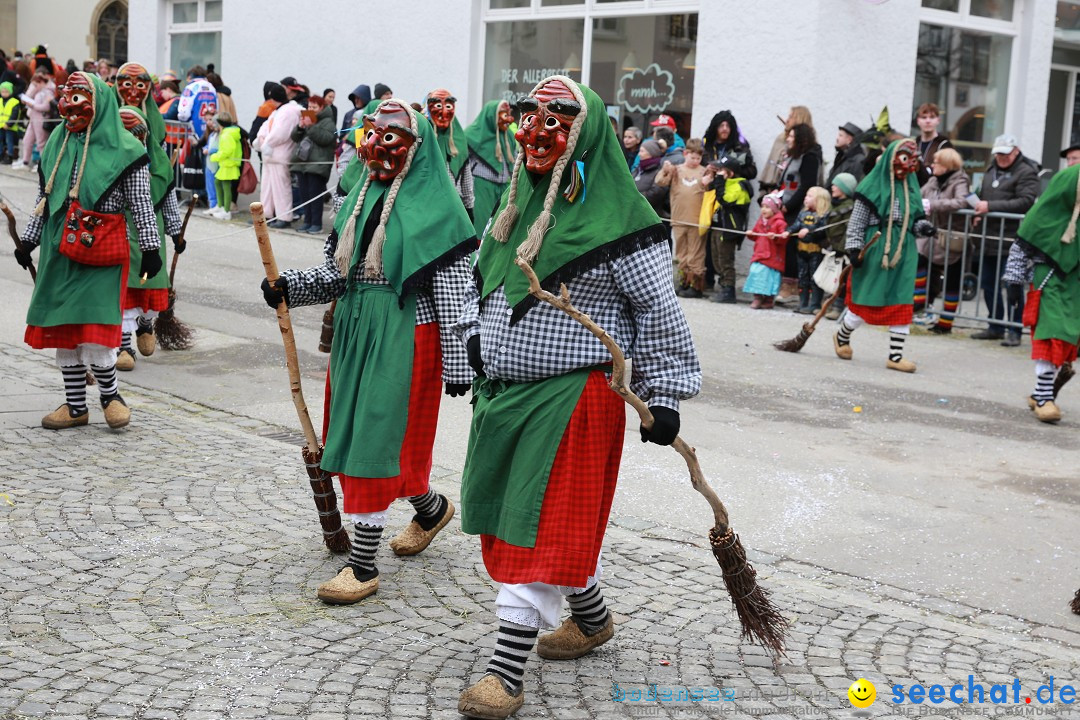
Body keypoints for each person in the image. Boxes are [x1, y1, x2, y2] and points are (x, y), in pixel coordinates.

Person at [453, 75, 700, 720]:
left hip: (572, 403)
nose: (538, 128)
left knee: (537, 525)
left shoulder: (623, 222)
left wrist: (663, 393)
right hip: (504, 396)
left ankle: (506, 673)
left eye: (557, 116)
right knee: (529, 520)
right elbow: (483, 288)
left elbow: (659, 314)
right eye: (531, 113)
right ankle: (590, 620)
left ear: (585, 132)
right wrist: (475, 341)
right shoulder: (515, 207)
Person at [260, 99, 475, 604]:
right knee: (359, 436)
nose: (377, 146)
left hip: (406, 338)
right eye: (372, 134)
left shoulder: (437, 210)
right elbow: (338, 274)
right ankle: (431, 508)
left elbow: (455, 293)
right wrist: (289, 286)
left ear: (415, 148)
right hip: (357, 330)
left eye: (391, 137)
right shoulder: (355, 196)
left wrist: (460, 362)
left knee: (375, 444)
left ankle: (363, 567)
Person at [12, 72, 161, 430]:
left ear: (99, 103)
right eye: (68, 97)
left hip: (102, 250)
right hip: (58, 248)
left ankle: (111, 396)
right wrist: (30, 238)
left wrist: (152, 247)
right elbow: (44, 197)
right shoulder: (57, 142)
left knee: (95, 324)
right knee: (66, 323)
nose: (71, 107)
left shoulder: (128, 149)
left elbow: (141, 202)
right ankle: (76, 406)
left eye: (81, 98)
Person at [834, 139, 935, 373]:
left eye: (912, 160)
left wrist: (923, 227)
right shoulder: (871, 186)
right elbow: (857, 222)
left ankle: (895, 356)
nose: (909, 165)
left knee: (901, 299)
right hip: (877, 245)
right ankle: (842, 335)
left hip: (904, 249)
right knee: (866, 298)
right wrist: (854, 248)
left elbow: (914, 220)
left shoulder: (911, 187)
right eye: (904, 158)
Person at [1002, 164, 1080, 424]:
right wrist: (1013, 281)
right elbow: (1022, 244)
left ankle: (1040, 394)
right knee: (1052, 334)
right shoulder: (1045, 213)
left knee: (1068, 339)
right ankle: (1045, 399)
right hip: (1051, 279)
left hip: (1075, 286)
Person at [115, 106, 184, 369]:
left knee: (148, 285)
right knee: (123, 292)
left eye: (137, 135)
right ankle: (123, 347)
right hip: (119, 236)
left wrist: (176, 231)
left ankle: (145, 325)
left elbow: (169, 203)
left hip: (150, 238)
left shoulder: (159, 167)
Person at [971, 134, 1041, 346]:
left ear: (1016, 151)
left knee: (1013, 285)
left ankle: (1015, 329)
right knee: (988, 284)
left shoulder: (1027, 172)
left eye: (1005, 154)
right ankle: (995, 326)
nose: (1001, 157)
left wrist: (990, 207)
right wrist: (978, 211)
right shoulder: (991, 168)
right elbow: (984, 195)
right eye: (998, 153)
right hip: (988, 235)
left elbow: (1026, 202)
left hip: (1012, 239)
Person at [914, 148, 970, 334]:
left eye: (936, 162)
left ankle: (945, 323)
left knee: (952, 281)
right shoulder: (933, 180)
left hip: (953, 237)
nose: (932, 165)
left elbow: (961, 202)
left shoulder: (960, 180)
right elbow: (918, 195)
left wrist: (932, 205)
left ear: (946, 165)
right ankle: (919, 302)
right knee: (919, 261)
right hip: (933, 235)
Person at [656, 137, 708, 297]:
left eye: (698, 158)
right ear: (685, 153)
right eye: (692, 157)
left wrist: (708, 181)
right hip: (678, 219)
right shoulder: (676, 170)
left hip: (697, 221)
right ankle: (684, 281)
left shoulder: (703, 171)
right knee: (681, 252)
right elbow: (660, 182)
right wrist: (665, 169)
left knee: (696, 252)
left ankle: (696, 284)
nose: (695, 161)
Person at [703, 155, 751, 303]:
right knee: (716, 260)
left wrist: (719, 181)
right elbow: (711, 190)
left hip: (729, 230)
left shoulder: (741, 186)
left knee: (726, 261)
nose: (719, 173)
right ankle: (722, 286)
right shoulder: (723, 183)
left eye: (722, 170)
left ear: (730, 172)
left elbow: (725, 200)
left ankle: (729, 291)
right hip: (717, 227)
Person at [465, 100, 517, 238]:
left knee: (500, 228)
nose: (508, 118)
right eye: (503, 114)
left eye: (509, 114)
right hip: (481, 187)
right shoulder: (471, 135)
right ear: (491, 116)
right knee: (481, 227)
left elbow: (515, 159)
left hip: (505, 188)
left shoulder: (509, 137)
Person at [253, 83, 300, 228]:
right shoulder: (278, 111)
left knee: (281, 188)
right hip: (271, 154)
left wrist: (266, 143)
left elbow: (280, 133)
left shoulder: (288, 111)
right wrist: (262, 139)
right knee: (267, 187)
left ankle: (284, 217)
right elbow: (265, 127)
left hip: (279, 155)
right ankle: (266, 214)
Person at [290, 95, 336, 233]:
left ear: (321, 107)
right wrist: (300, 127)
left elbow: (325, 139)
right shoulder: (308, 119)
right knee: (304, 194)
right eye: (309, 106)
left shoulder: (328, 122)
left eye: (314, 107)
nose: (311, 109)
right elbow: (294, 138)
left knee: (315, 195)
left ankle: (316, 224)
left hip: (318, 164)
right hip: (302, 163)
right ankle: (307, 221)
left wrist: (310, 126)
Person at [426, 89, 474, 219]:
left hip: (454, 205)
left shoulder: (458, 138)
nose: (444, 112)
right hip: (429, 204)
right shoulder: (424, 137)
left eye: (448, 106)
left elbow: (466, 176)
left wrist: (469, 208)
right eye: (438, 106)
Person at [787, 186, 832, 314]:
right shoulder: (803, 213)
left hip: (815, 251)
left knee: (815, 278)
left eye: (809, 196)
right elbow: (796, 225)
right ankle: (802, 303)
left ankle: (814, 304)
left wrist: (809, 230)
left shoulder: (823, 215)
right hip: (801, 250)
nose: (805, 198)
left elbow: (823, 230)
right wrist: (788, 231)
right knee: (802, 277)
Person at [742, 193, 789, 309]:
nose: (764, 209)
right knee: (756, 274)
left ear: (774, 209)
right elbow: (755, 235)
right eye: (762, 206)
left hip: (772, 256)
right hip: (759, 254)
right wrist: (750, 234)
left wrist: (776, 236)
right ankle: (757, 297)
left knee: (770, 278)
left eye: (767, 207)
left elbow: (784, 239)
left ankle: (768, 299)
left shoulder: (780, 223)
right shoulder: (760, 221)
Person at [823, 172, 858, 320]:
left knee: (841, 279)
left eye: (836, 185)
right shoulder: (833, 204)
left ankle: (838, 307)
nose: (832, 186)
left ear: (844, 188)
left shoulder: (849, 207)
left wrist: (842, 249)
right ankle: (829, 304)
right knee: (831, 277)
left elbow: (849, 230)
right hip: (832, 247)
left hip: (842, 251)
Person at [759, 105, 813, 196]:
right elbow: (771, 167)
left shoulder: (809, 149)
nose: (787, 120)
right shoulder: (781, 139)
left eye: (791, 117)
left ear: (799, 120)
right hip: (771, 193)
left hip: (791, 197)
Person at [12, 70, 55, 171]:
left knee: (41, 143)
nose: (34, 86)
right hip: (33, 118)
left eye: (36, 84)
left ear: (41, 82)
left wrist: (33, 105)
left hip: (41, 119)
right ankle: (25, 162)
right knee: (27, 140)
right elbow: (28, 97)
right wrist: (34, 90)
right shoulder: (39, 91)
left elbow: (46, 107)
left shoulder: (48, 92)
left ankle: (43, 165)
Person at [205, 111, 242, 220]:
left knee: (226, 187)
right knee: (218, 182)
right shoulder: (228, 133)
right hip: (226, 164)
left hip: (228, 164)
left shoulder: (226, 135)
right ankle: (220, 206)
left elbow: (226, 151)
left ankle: (226, 211)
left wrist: (214, 157)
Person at [913, 103, 953, 186]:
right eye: (924, 117)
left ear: (938, 120)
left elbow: (947, 173)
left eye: (932, 117)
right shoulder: (913, 144)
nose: (928, 121)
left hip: (935, 190)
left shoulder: (944, 144)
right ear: (918, 121)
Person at [633, 138, 668, 215]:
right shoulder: (638, 169)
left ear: (651, 153)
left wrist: (633, 197)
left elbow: (655, 194)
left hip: (650, 216)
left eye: (642, 151)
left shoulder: (660, 171)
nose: (639, 154)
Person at [0, 82, 20, 163]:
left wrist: (8, 124)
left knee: (9, 141)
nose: (4, 93)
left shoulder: (14, 102)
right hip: (1, 125)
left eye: (6, 91)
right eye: (2, 91)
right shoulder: (0, 100)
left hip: (10, 126)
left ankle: (10, 156)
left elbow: (14, 114)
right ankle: (1, 155)